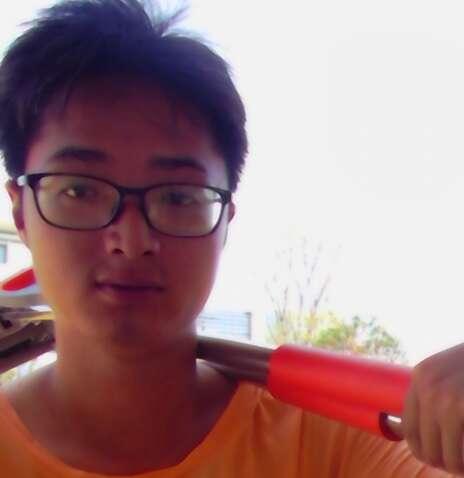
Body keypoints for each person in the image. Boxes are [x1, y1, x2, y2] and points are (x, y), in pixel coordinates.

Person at [0, 0, 461, 476]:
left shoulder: (336, 444)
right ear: (21, 212)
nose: (131, 241)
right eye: (79, 191)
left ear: (225, 222)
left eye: (178, 197)